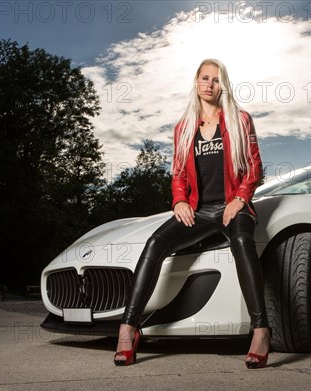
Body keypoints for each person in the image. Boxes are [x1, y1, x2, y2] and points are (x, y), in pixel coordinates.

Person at [114, 59, 270, 369]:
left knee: (241, 242)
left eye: (215, 79)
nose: (209, 84)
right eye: (204, 78)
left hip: (232, 206)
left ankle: (261, 330)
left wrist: (240, 199)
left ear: (221, 84)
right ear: (196, 82)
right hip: (198, 211)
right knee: (155, 243)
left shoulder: (240, 120)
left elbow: (254, 167)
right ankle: (128, 329)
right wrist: (179, 202)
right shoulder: (183, 127)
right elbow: (178, 175)